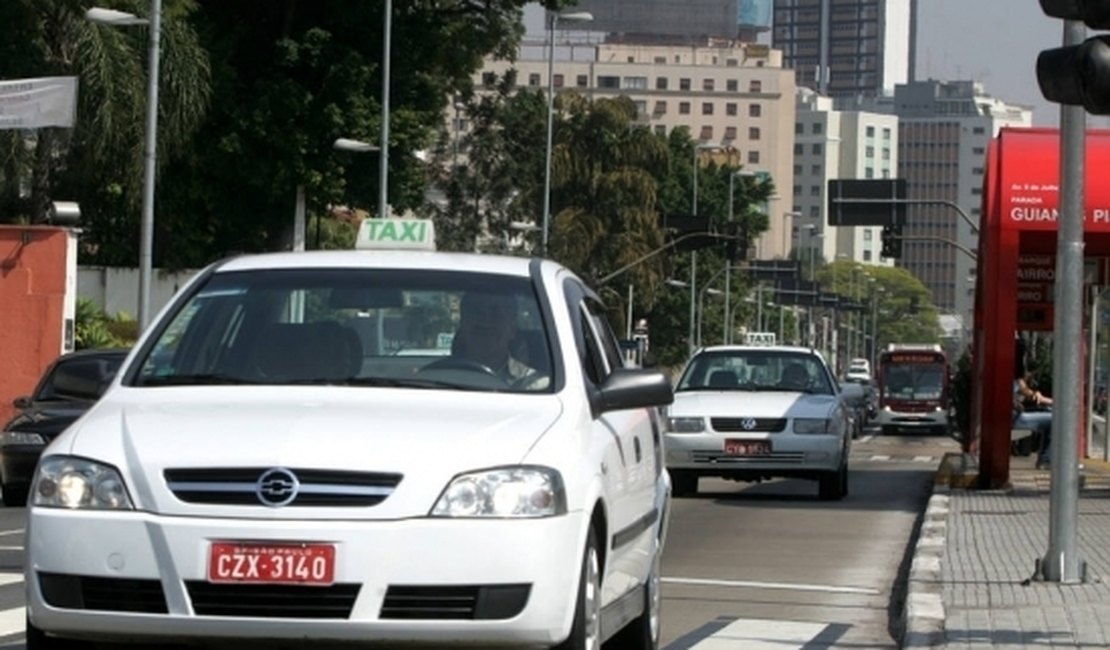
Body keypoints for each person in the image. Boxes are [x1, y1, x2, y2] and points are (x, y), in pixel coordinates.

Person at [451, 291, 539, 384]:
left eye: (495, 313)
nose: (485, 322)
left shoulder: (535, 385)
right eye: (477, 312)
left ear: (513, 330)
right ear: (462, 325)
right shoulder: (437, 379)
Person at [1013, 336, 1053, 469]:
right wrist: (1018, 404)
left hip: (1016, 414)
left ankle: (1045, 458)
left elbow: (1027, 392)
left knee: (1051, 412)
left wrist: (1039, 397)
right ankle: (1046, 460)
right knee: (1055, 419)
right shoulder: (1009, 374)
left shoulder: (1016, 376)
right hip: (1014, 417)